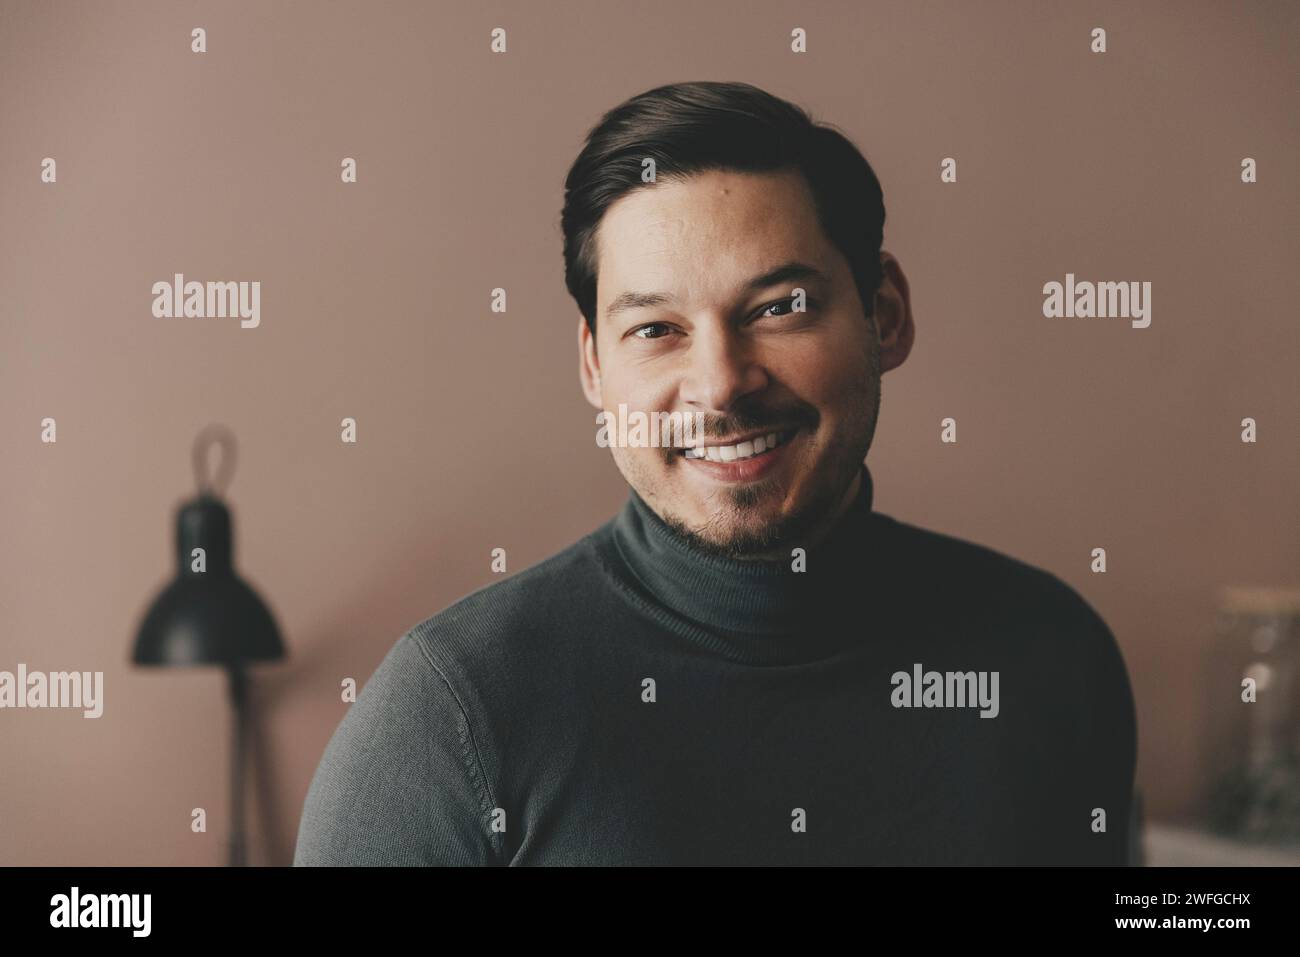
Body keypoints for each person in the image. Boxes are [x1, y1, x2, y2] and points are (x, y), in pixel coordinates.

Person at [293, 80, 1137, 866]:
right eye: (657, 328)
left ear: (885, 315)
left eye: (778, 308)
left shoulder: (1053, 655)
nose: (722, 382)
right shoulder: (451, 718)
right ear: (594, 367)